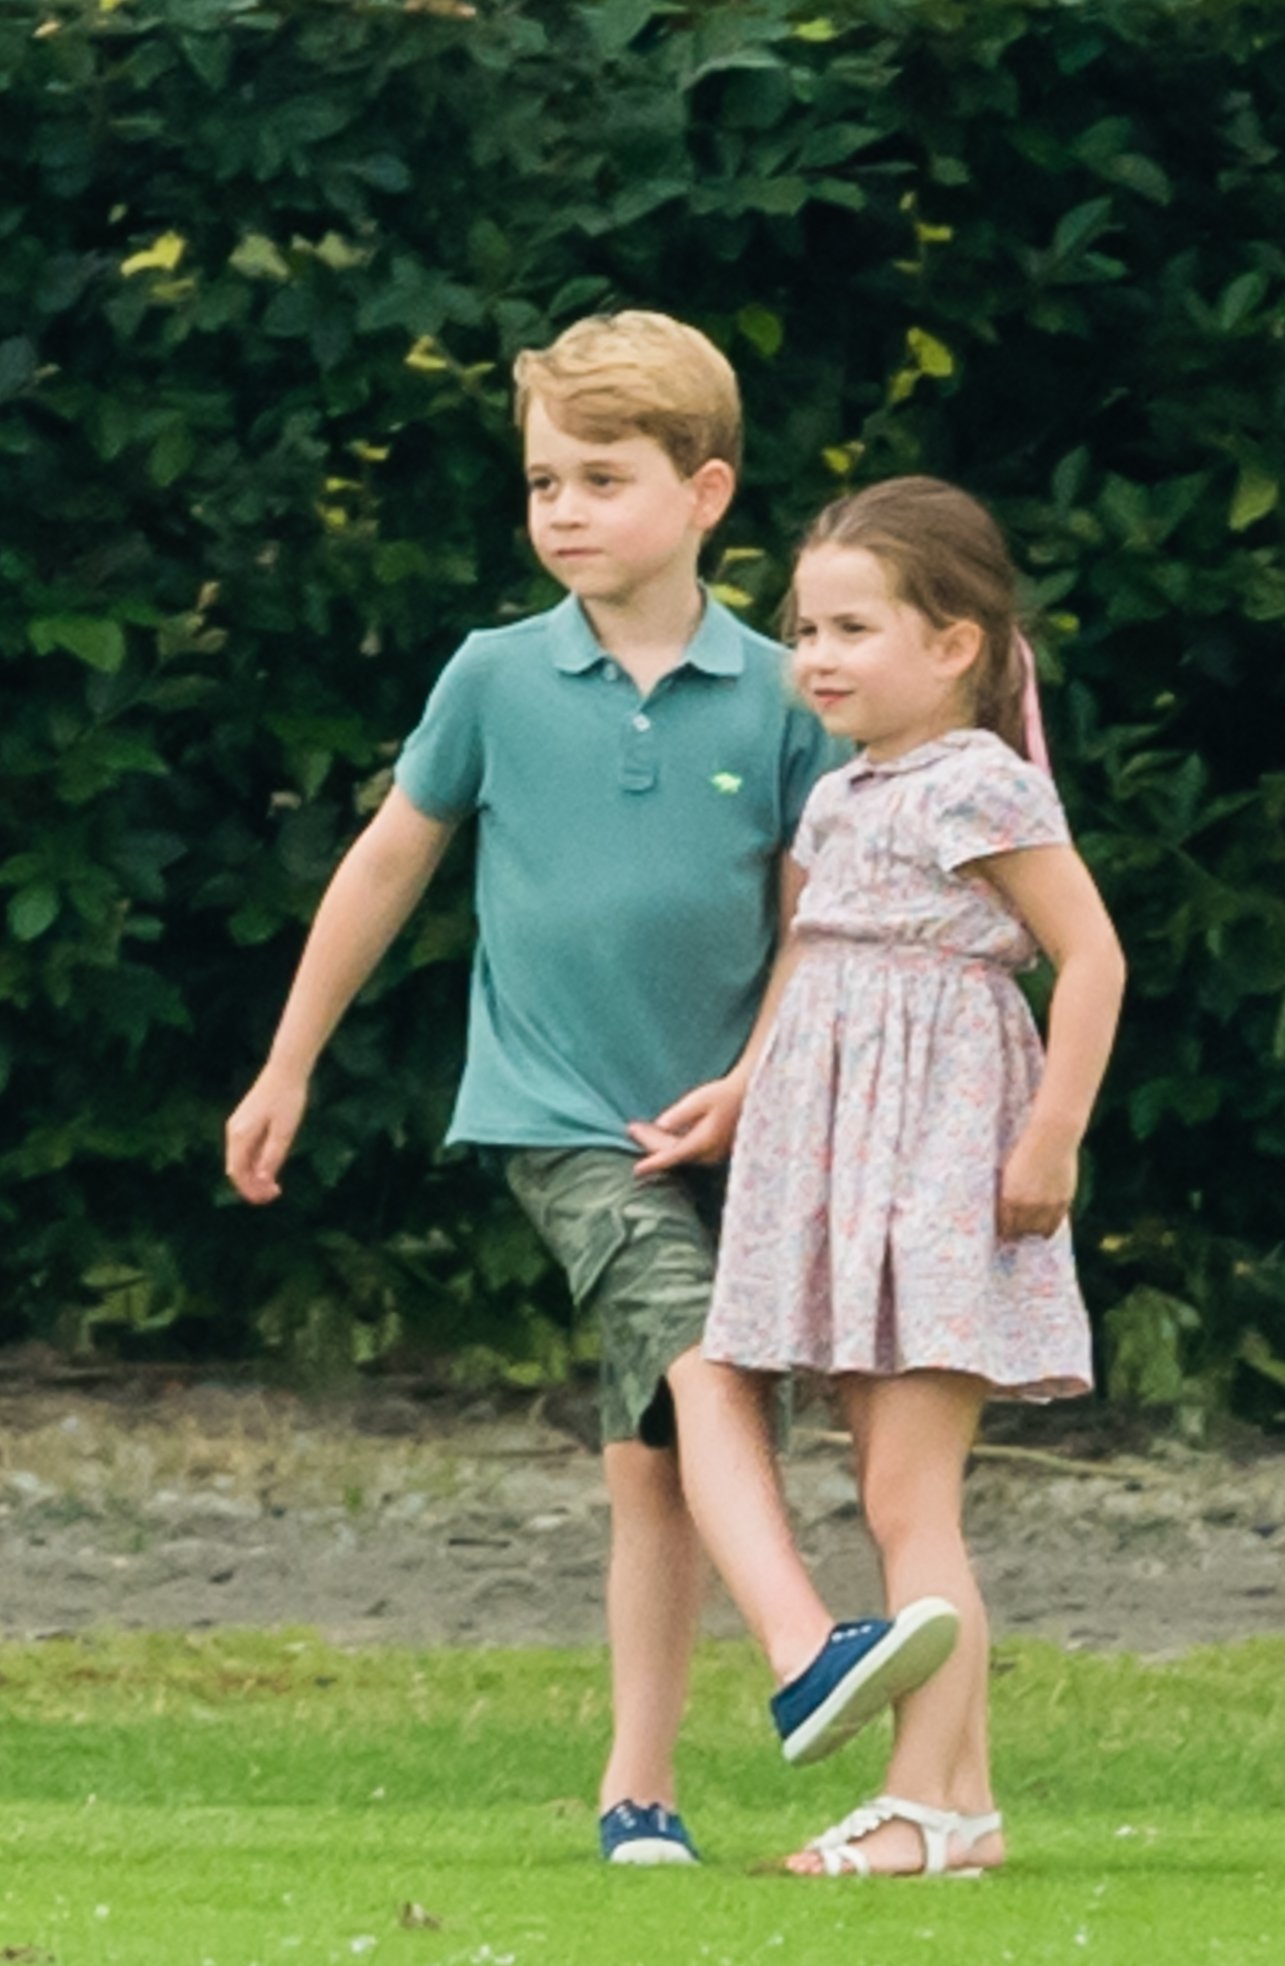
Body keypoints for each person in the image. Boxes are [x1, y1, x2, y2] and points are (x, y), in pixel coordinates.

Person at [221, 313, 956, 1868]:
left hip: (743, 1123)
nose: (561, 508)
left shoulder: (778, 692)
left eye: (601, 478)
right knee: (697, 1356)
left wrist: (752, 1088)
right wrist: (289, 1058)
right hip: (563, 1120)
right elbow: (389, 861)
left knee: (653, 1460)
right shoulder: (494, 674)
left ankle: (637, 1794)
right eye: (544, 479)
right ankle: (805, 1648)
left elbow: (821, 924)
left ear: (704, 493)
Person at [643, 475, 1126, 1879]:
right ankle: (960, 1799)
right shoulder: (845, 792)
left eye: (855, 626)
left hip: (939, 1156)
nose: (819, 655)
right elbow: (818, 962)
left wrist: (1051, 1140)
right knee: (887, 1486)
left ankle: (928, 1807)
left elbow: (1090, 956)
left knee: (912, 1499)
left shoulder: (981, 782)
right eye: (807, 627)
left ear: (956, 642)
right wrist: (744, 1090)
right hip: (835, 1158)